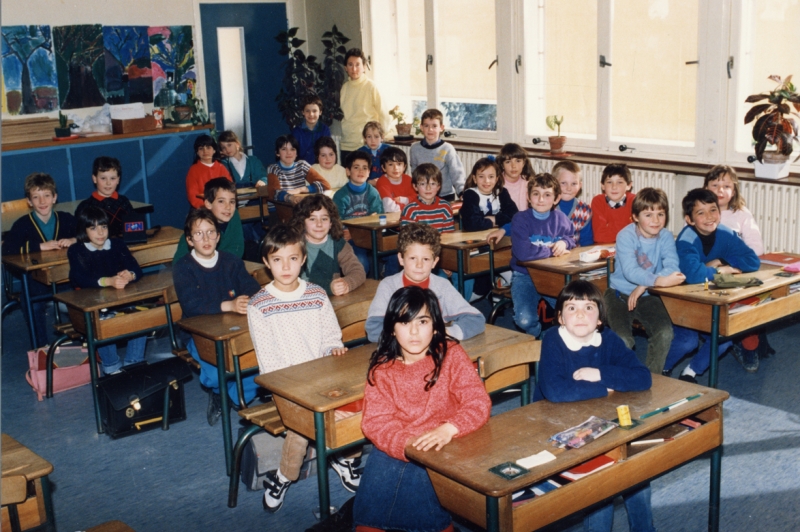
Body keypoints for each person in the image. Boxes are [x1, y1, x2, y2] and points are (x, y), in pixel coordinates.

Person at [353, 285, 492, 532]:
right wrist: (406, 444)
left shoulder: (451, 355)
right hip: (400, 443)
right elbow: (375, 422)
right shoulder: (382, 369)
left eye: (423, 321)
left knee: (421, 480)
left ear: (436, 327)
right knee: (372, 501)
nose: (414, 332)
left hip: (447, 439)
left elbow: (477, 402)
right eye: (404, 323)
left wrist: (450, 428)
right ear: (392, 330)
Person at [248, 224, 357, 512]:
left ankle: (343, 458)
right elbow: (268, 361)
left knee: (357, 404)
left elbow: (330, 336)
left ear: (303, 259)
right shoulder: (259, 304)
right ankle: (286, 474)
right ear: (266, 263)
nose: (286, 266)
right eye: (277, 260)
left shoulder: (317, 294)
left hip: (322, 378)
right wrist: (300, 385)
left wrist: (332, 348)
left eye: (293, 259)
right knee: (304, 425)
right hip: (284, 386)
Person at [534, 280, 655, 532]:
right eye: (571, 308)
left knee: (636, 467)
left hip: (599, 422)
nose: (580, 314)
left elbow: (643, 377)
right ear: (560, 318)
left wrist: (599, 372)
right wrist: (604, 387)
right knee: (602, 482)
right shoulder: (553, 340)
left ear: (600, 318)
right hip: (555, 428)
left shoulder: (608, 339)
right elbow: (555, 392)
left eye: (589, 308)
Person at [173, 208, 261, 425]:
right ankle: (223, 392)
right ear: (190, 240)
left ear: (218, 236)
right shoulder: (183, 267)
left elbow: (253, 287)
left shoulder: (231, 261)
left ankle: (227, 397)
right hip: (199, 333)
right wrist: (228, 304)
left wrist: (247, 298)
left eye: (211, 232)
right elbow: (192, 305)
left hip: (233, 329)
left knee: (259, 369)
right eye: (199, 234)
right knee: (214, 375)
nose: (206, 239)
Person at [663, 188, 760, 383]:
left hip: (709, 299)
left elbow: (752, 260)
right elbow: (693, 275)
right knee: (687, 342)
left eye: (713, 210)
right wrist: (720, 272)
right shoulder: (686, 239)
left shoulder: (725, 232)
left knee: (723, 339)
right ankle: (660, 369)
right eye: (701, 212)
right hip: (684, 301)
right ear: (689, 220)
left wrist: (720, 260)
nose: (709, 217)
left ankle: (690, 372)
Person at [604, 188, 685, 374]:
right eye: (648, 214)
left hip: (648, 295)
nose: (656, 220)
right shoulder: (625, 236)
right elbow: (630, 271)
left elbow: (673, 267)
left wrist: (646, 285)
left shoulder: (665, 236)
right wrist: (658, 280)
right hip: (618, 295)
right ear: (635, 217)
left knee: (664, 333)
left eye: (660, 214)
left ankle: (652, 379)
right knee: (623, 340)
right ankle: (621, 378)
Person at [365, 223, 485, 342]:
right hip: (400, 353)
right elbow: (373, 329)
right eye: (413, 258)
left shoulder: (441, 286)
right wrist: (406, 339)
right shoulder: (389, 286)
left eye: (426, 259)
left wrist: (446, 333)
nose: (419, 265)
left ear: (434, 262)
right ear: (401, 259)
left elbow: (476, 319)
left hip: (433, 349)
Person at [67, 206, 146, 376]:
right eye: (93, 228)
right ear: (84, 230)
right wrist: (108, 281)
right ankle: (111, 367)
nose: (100, 232)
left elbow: (136, 268)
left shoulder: (117, 244)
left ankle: (134, 362)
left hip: (117, 299)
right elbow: (80, 278)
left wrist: (130, 275)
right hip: (91, 303)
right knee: (101, 322)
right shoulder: (77, 250)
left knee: (141, 316)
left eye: (103, 226)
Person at [3, 172, 77, 347]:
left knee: (85, 295)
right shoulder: (22, 224)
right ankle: (41, 347)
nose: (42, 202)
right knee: (33, 305)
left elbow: (86, 234)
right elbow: (6, 250)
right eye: (36, 197)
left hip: (65, 278)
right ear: (29, 201)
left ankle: (81, 341)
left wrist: (74, 240)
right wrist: (39, 246)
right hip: (36, 282)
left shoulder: (65, 219)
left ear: (54, 198)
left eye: (46, 196)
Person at [705, 165, 767, 372]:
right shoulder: (700, 213)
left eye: (726, 186)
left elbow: (757, 248)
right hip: (710, 275)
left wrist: (730, 262)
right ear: (706, 188)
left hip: (739, 272)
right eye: (715, 185)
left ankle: (749, 345)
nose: (720, 190)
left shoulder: (741, 214)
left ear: (734, 190)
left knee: (747, 305)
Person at [508, 173, 576, 338]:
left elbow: (571, 238)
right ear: (528, 197)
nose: (540, 199)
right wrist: (553, 251)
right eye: (536, 194)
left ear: (556, 199)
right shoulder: (520, 219)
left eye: (547, 195)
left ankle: (561, 341)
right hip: (525, 275)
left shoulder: (560, 218)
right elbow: (524, 254)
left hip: (551, 275)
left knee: (571, 314)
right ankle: (539, 336)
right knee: (524, 320)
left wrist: (564, 243)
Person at [289, 194, 366, 297]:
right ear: (302, 222)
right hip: (304, 300)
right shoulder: (294, 246)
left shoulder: (338, 244)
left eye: (324, 219)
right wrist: (329, 287)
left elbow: (358, 270)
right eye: (312, 219)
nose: (319, 224)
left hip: (334, 301)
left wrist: (346, 283)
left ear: (331, 223)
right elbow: (297, 282)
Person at [333, 151, 384, 276]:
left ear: (369, 172)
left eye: (365, 168)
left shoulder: (373, 193)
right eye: (356, 167)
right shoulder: (341, 195)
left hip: (370, 236)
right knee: (361, 262)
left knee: (393, 254)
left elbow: (377, 218)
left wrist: (358, 232)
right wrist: (352, 233)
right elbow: (336, 222)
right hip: (350, 240)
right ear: (348, 171)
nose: (361, 171)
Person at [173, 178, 244, 263]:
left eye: (232, 202)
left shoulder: (234, 215)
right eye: (221, 201)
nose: (228, 207)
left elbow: (238, 249)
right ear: (208, 204)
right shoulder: (198, 223)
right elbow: (179, 261)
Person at [340, 48, 389, 159]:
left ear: (364, 67)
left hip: (366, 144)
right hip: (347, 143)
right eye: (350, 65)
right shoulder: (344, 88)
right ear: (345, 68)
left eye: (358, 65)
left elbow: (384, 114)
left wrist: (380, 136)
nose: (354, 69)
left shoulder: (371, 86)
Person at [409, 109, 466, 201]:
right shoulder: (415, 149)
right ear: (421, 127)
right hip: (424, 195)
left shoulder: (448, 149)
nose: (430, 129)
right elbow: (414, 172)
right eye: (426, 126)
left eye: (434, 126)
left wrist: (462, 192)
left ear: (441, 128)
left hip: (445, 195)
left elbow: (457, 173)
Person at [259, 134, 331, 204]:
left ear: (296, 153)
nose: (289, 153)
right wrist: (291, 198)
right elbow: (274, 193)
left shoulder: (302, 165)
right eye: (284, 149)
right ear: (277, 153)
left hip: (299, 208)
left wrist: (301, 189)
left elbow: (325, 185)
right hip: (280, 208)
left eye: (292, 149)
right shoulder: (273, 168)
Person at [75, 156, 135, 237]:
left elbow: (134, 228)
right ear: (94, 179)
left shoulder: (124, 202)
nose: (108, 183)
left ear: (118, 180)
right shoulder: (85, 207)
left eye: (112, 178)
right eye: (103, 178)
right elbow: (80, 235)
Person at [460, 157, 518, 232]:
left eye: (491, 177)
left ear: (496, 179)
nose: (486, 181)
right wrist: (494, 222)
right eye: (481, 176)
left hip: (499, 235)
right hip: (476, 237)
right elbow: (472, 224)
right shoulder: (470, 194)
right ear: (474, 179)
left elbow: (515, 216)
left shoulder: (501, 192)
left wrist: (494, 219)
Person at [400, 163, 455, 233]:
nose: (428, 188)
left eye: (433, 184)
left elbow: (449, 235)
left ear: (439, 186)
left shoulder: (445, 207)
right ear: (415, 186)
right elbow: (408, 239)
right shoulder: (410, 210)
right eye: (423, 184)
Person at [185, 134, 232, 209]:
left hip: (223, 208)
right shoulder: (193, 170)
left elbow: (230, 189)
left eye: (208, 147)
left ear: (214, 150)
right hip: (203, 210)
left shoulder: (221, 168)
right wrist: (208, 208)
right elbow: (193, 197)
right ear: (197, 152)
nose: (205, 151)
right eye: (201, 148)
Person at [591, 163, 635, 244]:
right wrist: (627, 236)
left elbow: (639, 233)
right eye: (609, 182)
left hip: (630, 247)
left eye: (619, 182)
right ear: (602, 185)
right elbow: (599, 236)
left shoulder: (634, 201)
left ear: (629, 185)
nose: (614, 187)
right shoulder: (598, 202)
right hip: (605, 247)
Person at [553, 160, 593, 246]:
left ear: (580, 185)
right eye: (563, 183)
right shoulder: (547, 207)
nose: (569, 188)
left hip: (574, 254)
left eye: (574, 184)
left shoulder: (585, 210)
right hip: (548, 254)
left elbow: (587, 241)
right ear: (554, 183)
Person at [292, 94, 332, 165]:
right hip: (302, 169)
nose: (311, 114)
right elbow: (294, 156)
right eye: (307, 111)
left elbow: (327, 152)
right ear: (303, 112)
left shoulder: (325, 130)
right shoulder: (297, 131)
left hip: (321, 167)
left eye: (314, 111)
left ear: (320, 112)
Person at [374, 146, 416, 213]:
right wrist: (409, 205)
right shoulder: (382, 182)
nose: (395, 168)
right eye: (390, 164)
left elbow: (418, 200)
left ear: (404, 167)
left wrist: (403, 200)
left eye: (399, 164)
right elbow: (390, 208)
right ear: (383, 167)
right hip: (391, 219)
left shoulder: (408, 179)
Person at [496, 143, 534, 212]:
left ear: (524, 163)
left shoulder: (529, 183)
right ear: (502, 165)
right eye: (508, 162)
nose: (513, 166)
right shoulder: (497, 183)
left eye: (518, 161)